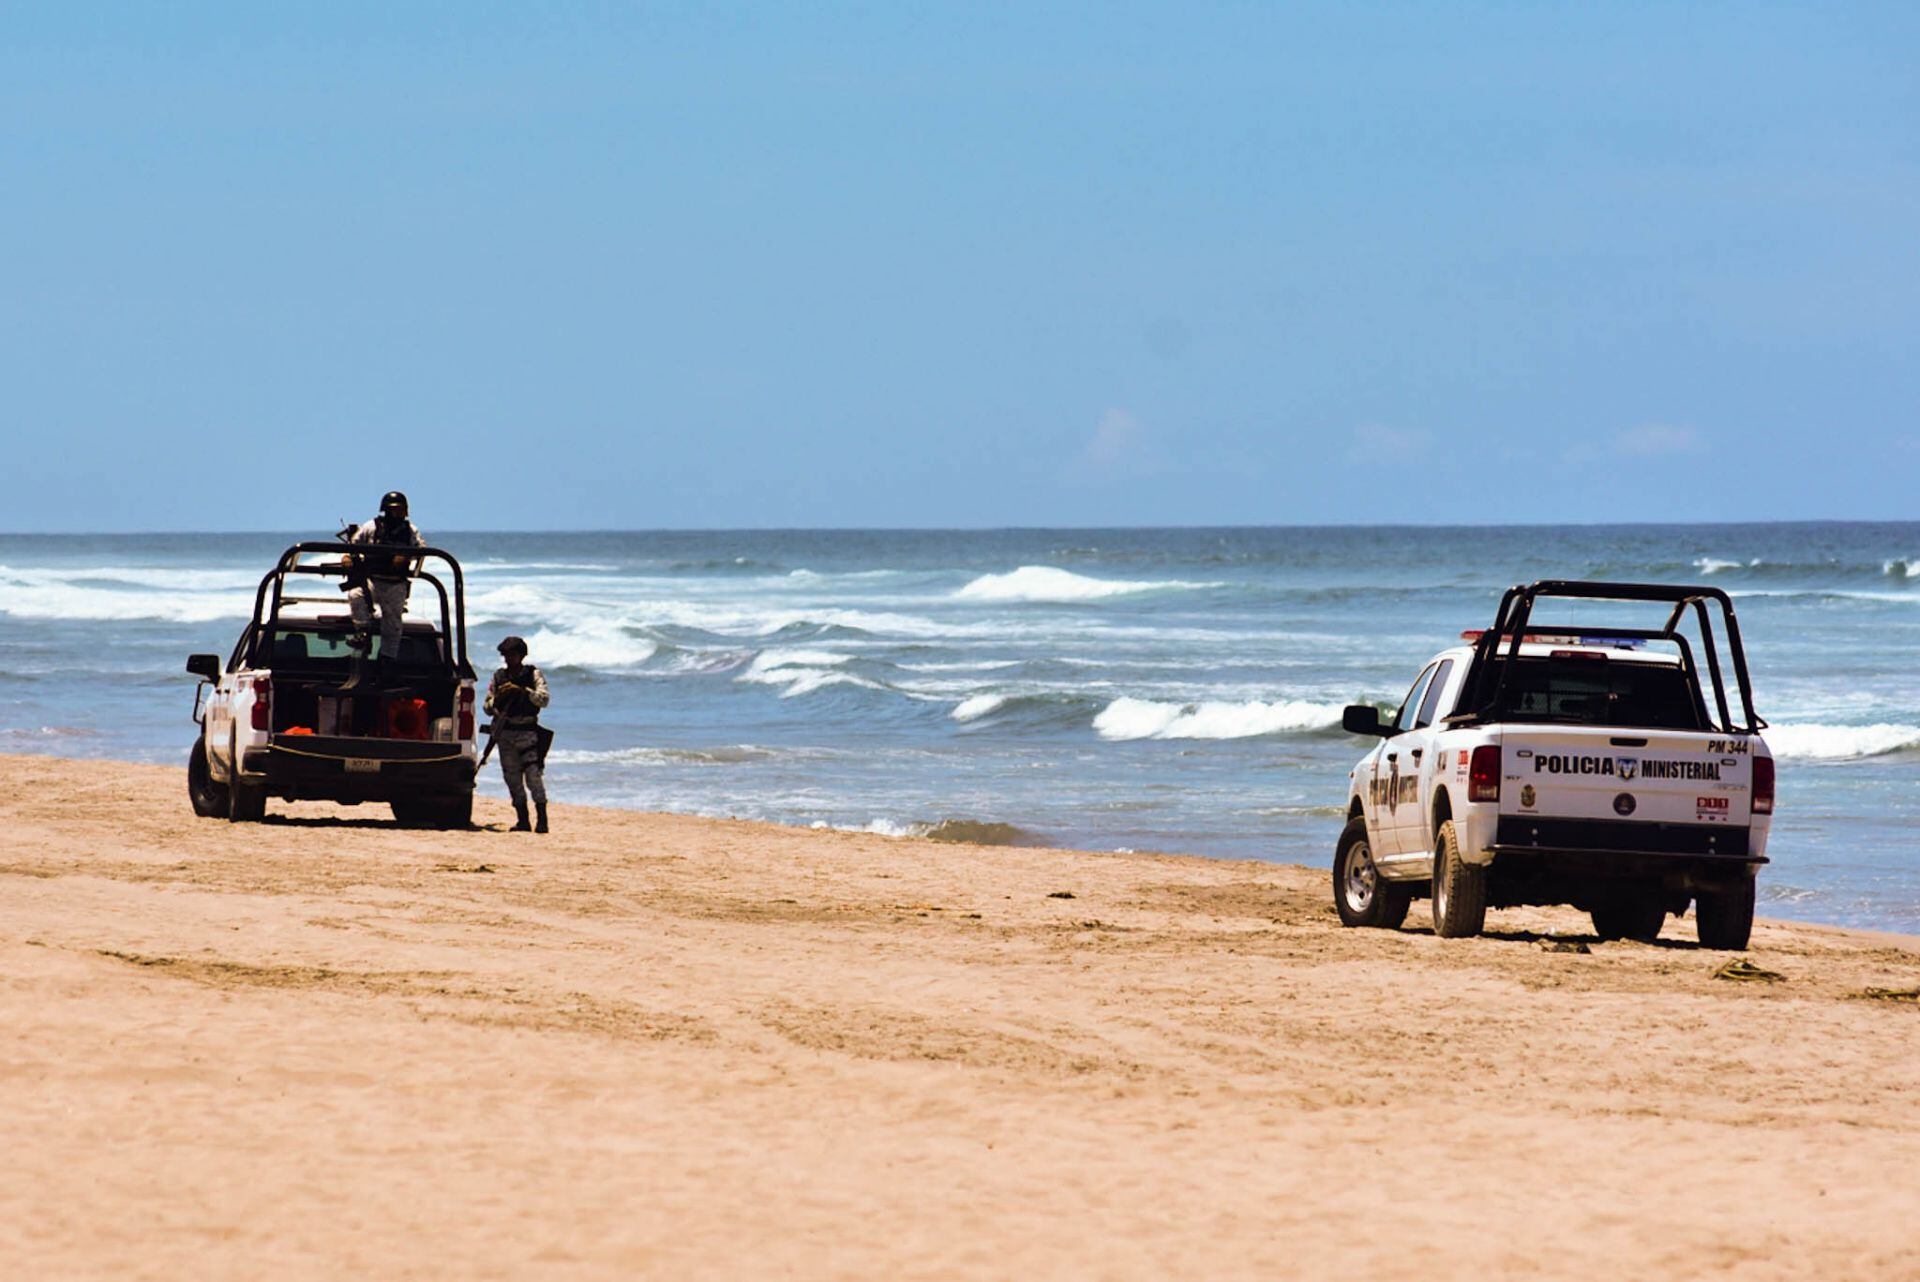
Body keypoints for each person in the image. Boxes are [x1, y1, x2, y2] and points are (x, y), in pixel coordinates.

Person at [343, 490, 425, 682]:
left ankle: (388, 659)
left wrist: (405, 556)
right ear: (386, 509)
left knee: (393, 623)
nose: (400, 513)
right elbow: (353, 544)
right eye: (396, 509)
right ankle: (363, 633)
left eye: (402, 509)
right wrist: (347, 556)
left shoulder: (410, 530)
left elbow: (421, 549)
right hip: (373, 579)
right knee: (356, 595)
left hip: (395, 583)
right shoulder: (371, 526)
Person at [486, 635, 551, 832]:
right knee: (512, 778)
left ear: (521, 655)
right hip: (506, 734)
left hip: (528, 733)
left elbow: (544, 699)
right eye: (505, 655)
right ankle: (523, 820)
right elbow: (487, 706)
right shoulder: (499, 677)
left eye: (512, 655)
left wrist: (523, 691)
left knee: (533, 777)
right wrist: (498, 699)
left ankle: (542, 820)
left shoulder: (533, 674)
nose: (508, 659)